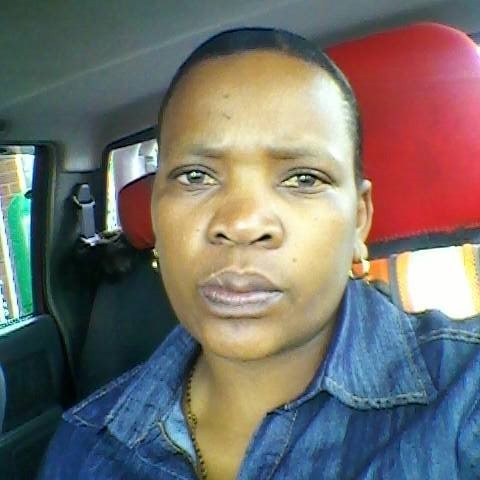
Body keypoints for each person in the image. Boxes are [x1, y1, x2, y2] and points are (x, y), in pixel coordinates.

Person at [38, 28, 480, 480]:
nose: (242, 223)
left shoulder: (465, 396)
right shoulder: (83, 448)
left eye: (304, 178)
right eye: (195, 176)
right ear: (154, 214)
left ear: (358, 221)